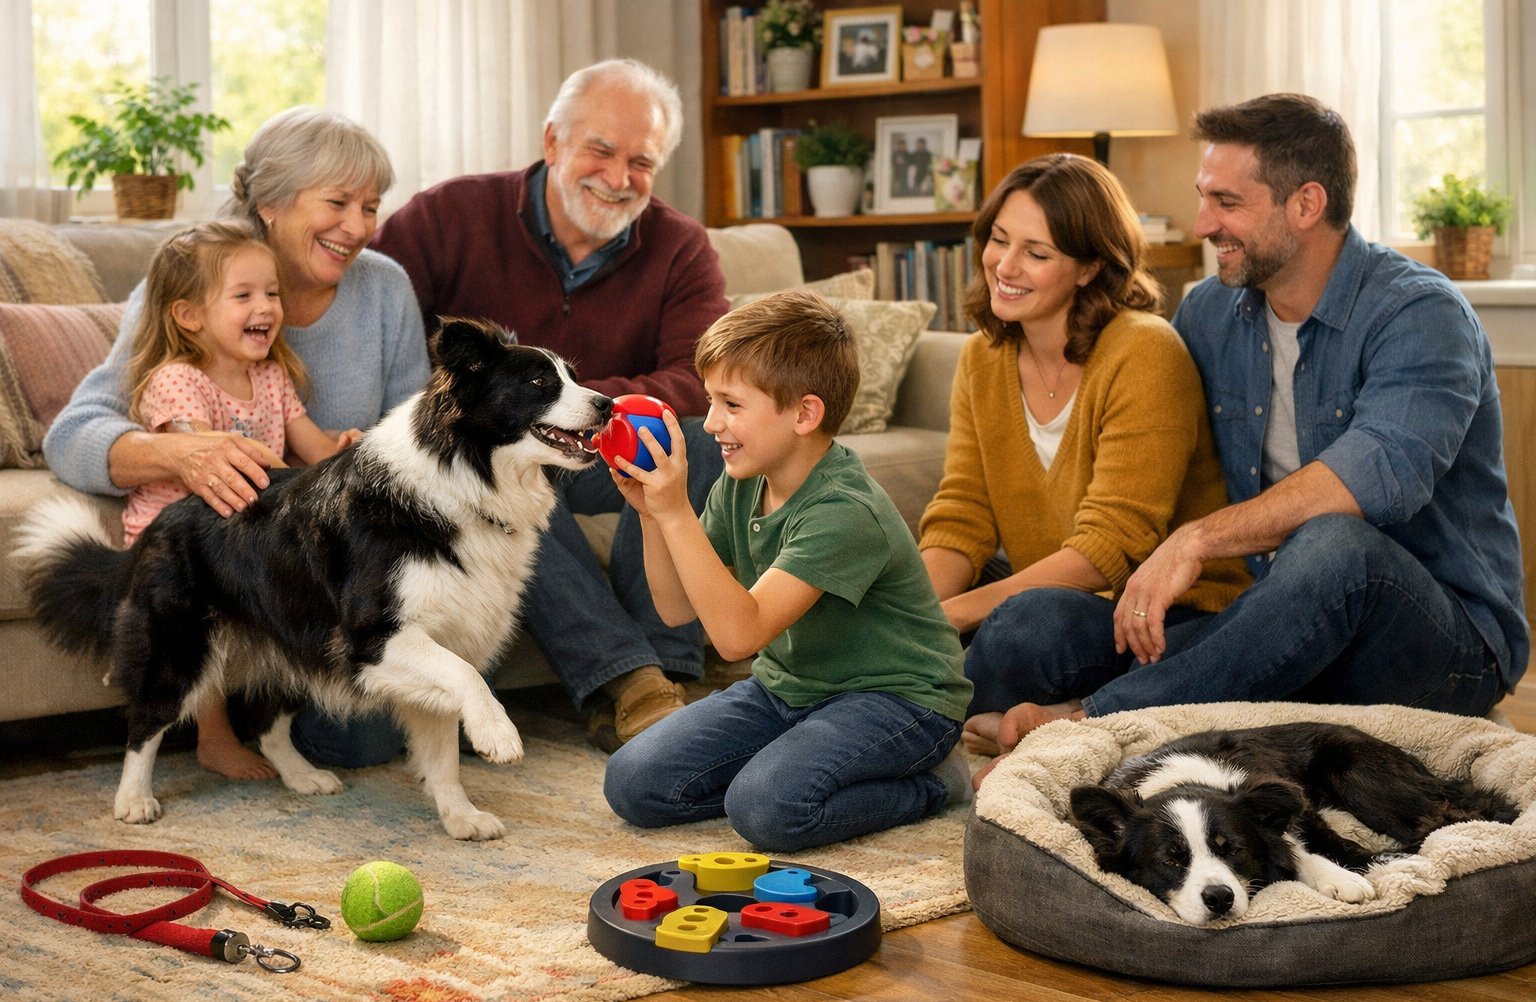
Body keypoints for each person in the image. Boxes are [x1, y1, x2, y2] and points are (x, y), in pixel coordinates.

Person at [984, 93, 1529, 756]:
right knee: (1029, 626)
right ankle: (1210, 712)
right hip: (1262, 621)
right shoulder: (1209, 314)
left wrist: (1193, 543)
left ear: (1305, 205)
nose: (1202, 222)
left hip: (1439, 641)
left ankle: (1098, 724)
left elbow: (1371, 482)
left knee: (1335, 544)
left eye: (1227, 202)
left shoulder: (1420, 314)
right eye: (1203, 197)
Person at [44, 106, 430, 770]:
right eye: (338, 202)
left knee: (361, 738)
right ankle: (210, 716)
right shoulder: (190, 280)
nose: (359, 227)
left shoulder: (385, 289)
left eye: (371, 206)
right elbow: (74, 433)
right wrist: (182, 452)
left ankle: (271, 711)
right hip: (233, 560)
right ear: (272, 204)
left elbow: (416, 438)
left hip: (326, 578)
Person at [373, 59, 728, 752]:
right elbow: (383, 333)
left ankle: (667, 671)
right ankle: (631, 685)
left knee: (699, 441)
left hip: (608, 441)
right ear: (553, 142)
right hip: (491, 449)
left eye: (641, 162)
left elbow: (699, 372)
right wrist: (523, 420)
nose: (618, 177)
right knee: (514, 468)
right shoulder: (447, 217)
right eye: (600, 149)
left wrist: (589, 410)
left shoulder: (681, 247)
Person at [917, 154, 1249, 784]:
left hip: (1162, 618)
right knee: (905, 599)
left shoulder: (1144, 350)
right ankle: (973, 719)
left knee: (1020, 625)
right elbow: (962, 514)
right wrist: (908, 618)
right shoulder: (984, 359)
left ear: (1090, 265)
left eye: (1036, 253)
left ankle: (948, 722)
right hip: (1059, 602)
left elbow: (1110, 550)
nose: (1005, 267)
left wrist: (950, 619)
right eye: (998, 240)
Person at [601, 291, 973, 851]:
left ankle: (934, 785)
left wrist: (678, 511)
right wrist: (654, 516)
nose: (710, 426)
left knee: (766, 809)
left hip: (900, 701)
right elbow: (677, 610)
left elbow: (737, 637)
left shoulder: (845, 510)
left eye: (731, 404)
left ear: (804, 413)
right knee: (633, 784)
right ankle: (799, 763)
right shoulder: (741, 481)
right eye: (711, 401)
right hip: (789, 690)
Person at [116, 220, 363, 776]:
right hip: (184, 542)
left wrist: (345, 450)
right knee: (199, 638)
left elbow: (314, 449)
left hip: (244, 537)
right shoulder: (177, 380)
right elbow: (207, 456)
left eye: (272, 293)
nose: (267, 307)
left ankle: (269, 726)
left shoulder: (272, 376)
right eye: (245, 295)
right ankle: (215, 737)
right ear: (189, 315)